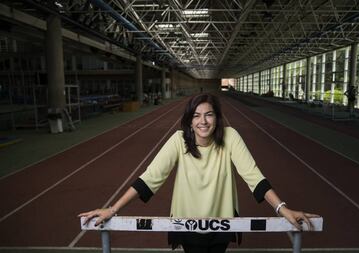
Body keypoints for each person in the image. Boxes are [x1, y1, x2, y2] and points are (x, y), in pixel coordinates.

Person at [79, 93, 319, 253]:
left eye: (208, 114)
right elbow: (150, 178)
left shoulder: (231, 137)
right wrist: (112, 209)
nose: (202, 121)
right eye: (196, 115)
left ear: (217, 117)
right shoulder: (178, 140)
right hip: (186, 223)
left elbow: (253, 177)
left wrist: (283, 209)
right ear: (189, 121)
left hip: (221, 222)